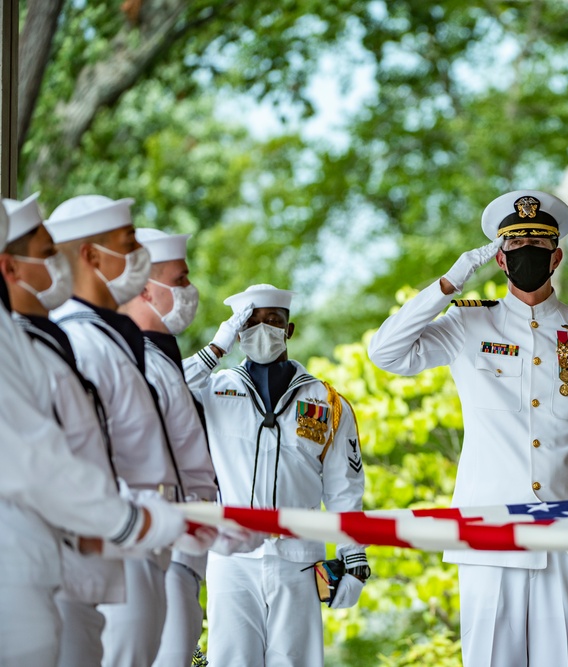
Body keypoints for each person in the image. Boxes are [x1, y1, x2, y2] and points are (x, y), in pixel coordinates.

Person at [367, 189, 568, 666]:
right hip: (489, 539)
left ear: (556, 256)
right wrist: (451, 281)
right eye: (514, 251)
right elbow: (387, 353)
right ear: (500, 259)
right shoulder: (469, 325)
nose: (526, 259)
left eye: (536, 250)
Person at [0, 199, 186, 667]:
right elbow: (33, 458)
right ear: (9, 266)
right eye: (47, 253)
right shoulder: (47, 341)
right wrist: (123, 519)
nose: (58, 263)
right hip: (57, 552)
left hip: (86, 546)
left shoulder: (34, 340)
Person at [184, 284, 368, 667]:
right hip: (231, 557)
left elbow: (343, 490)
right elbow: (162, 391)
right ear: (238, 332)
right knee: (230, 660)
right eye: (250, 324)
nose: (262, 330)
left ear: (290, 330)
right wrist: (216, 348)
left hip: (299, 559)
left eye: (273, 321)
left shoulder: (326, 401)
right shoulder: (214, 390)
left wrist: (355, 559)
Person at [120, 228, 218, 667]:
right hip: (151, 551)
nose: (189, 291)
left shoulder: (164, 359)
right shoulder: (131, 361)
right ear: (144, 288)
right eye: (179, 280)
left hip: (182, 556)